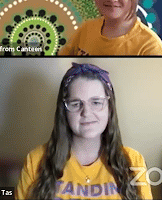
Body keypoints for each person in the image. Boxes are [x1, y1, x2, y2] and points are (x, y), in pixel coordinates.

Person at [16, 63, 152, 199]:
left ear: (109, 108)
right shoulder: (36, 160)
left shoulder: (133, 161)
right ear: (64, 111)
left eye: (96, 102)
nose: (86, 112)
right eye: (76, 104)